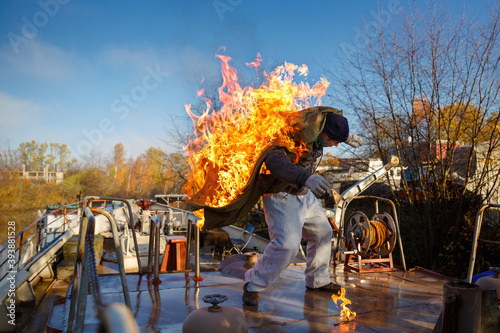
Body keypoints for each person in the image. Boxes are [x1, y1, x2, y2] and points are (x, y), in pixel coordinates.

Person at [242, 107, 363, 306]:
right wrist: (306, 178)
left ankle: (317, 280)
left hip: (303, 193)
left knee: (323, 232)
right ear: (324, 133)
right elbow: (275, 161)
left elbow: (329, 130)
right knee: (287, 244)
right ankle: (252, 284)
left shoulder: (320, 130)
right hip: (281, 195)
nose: (334, 146)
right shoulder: (291, 136)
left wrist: (344, 136)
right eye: (334, 140)